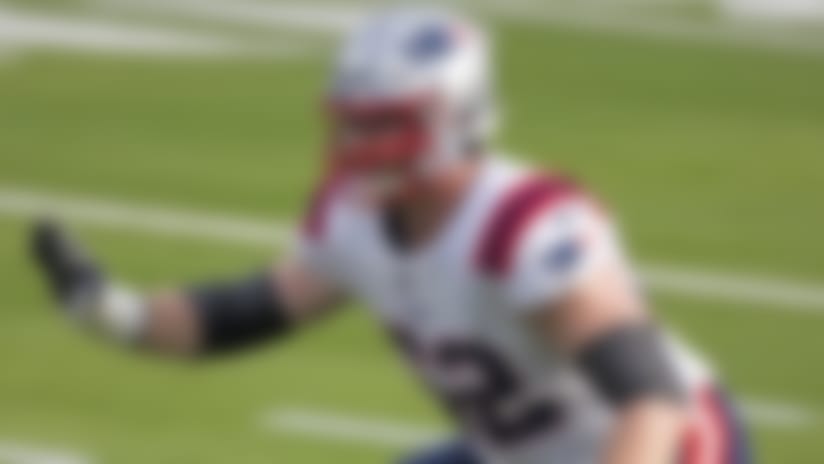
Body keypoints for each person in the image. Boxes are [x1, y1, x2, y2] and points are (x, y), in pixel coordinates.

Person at [30, 7, 751, 464]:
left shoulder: (523, 226)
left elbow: (651, 400)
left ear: (457, 117)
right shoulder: (356, 219)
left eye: (384, 124)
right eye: (352, 123)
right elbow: (249, 312)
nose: (359, 145)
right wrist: (111, 313)